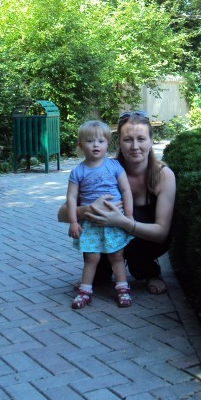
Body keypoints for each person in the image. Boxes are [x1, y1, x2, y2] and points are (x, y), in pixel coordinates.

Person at [58, 111, 176, 295]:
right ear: (119, 142)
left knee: (136, 223)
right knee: (98, 272)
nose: (135, 146)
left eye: (141, 139)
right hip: (107, 234)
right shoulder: (103, 169)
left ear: (151, 141)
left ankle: (149, 271)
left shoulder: (163, 175)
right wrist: (88, 209)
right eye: (128, 140)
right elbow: (62, 214)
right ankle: (99, 272)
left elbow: (161, 234)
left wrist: (122, 221)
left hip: (146, 240)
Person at [66, 120, 134, 309]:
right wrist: (73, 221)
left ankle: (123, 289)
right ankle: (85, 291)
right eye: (90, 141)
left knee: (117, 256)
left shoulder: (114, 166)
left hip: (114, 220)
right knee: (91, 258)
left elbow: (126, 190)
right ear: (81, 145)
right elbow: (71, 198)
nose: (95, 145)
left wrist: (128, 216)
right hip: (91, 223)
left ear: (107, 144)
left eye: (100, 141)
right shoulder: (77, 172)